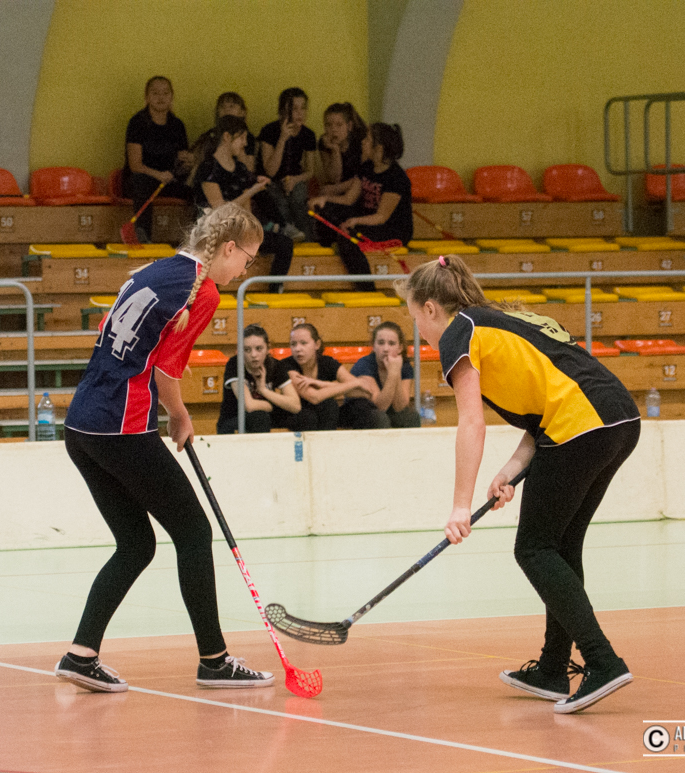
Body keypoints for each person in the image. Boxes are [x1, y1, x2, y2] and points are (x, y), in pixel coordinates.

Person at [395, 254, 641, 714]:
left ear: (430, 308)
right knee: (559, 547)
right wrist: (509, 471)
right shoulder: (506, 320)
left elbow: (472, 423)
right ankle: (552, 668)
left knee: (534, 548)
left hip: (580, 426)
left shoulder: (459, 332)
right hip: (618, 419)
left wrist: (460, 506)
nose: (420, 331)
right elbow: (548, 404)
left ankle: (603, 661)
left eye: (416, 319)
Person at [56, 203, 274, 693]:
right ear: (228, 248)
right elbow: (164, 371)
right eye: (247, 259)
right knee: (194, 532)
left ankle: (81, 654)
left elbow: (126, 342)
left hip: (82, 425)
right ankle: (214, 661)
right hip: (122, 427)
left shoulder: (155, 270)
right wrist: (179, 415)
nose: (245, 270)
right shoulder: (204, 290)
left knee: (136, 544)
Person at [196, 115, 293, 293]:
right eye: (241, 138)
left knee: (284, 243)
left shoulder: (240, 169)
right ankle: (212, 295)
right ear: (227, 137)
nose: (245, 143)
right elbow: (220, 210)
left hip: (238, 231)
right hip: (214, 231)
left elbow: (246, 210)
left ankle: (275, 291)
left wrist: (252, 233)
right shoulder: (208, 168)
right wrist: (251, 191)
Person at [310, 122, 413, 291]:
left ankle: (367, 289)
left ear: (378, 148)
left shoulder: (397, 178)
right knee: (325, 210)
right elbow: (349, 199)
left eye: (367, 139)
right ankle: (328, 250)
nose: (363, 142)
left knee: (348, 239)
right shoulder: (366, 167)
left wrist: (355, 221)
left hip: (391, 229)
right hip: (366, 219)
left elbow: (381, 217)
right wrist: (323, 199)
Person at [124, 76, 193, 243]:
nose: (161, 97)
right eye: (155, 93)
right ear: (147, 97)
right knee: (141, 182)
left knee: (196, 187)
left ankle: (194, 236)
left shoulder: (177, 125)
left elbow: (181, 165)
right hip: (143, 179)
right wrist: (158, 175)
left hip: (168, 180)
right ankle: (143, 236)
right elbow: (135, 165)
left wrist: (188, 162)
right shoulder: (137, 123)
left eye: (165, 93)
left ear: (171, 96)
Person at [274, 323, 363, 431]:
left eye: (303, 343)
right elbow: (314, 397)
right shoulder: (286, 365)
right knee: (313, 414)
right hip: (297, 415)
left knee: (349, 406)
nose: (297, 349)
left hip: (323, 414)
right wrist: (354, 383)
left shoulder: (327, 362)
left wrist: (321, 384)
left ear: (317, 344)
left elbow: (360, 390)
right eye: (293, 344)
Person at [216, 324, 300, 434]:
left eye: (259, 349)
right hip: (234, 420)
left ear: (267, 348)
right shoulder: (235, 364)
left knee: (304, 416)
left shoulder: (275, 365)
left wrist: (263, 390)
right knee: (259, 417)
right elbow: (249, 406)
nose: (253, 355)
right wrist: (274, 406)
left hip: (264, 416)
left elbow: (295, 406)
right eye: (247, 350)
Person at [258, 87, 317, 241]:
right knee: (279, 202)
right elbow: (270, 171)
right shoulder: (269, 131)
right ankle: (285, 240)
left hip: (295, 180)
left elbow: (310, 171)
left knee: (299, 198)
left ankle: (308, 241)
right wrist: (283, 139)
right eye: (295, 109)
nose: (300, 113)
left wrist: (295, 179)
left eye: (303, 108)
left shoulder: (308, 134)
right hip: (271, 181)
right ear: (284, 111)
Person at [340, 321, 420, 429]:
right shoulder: (364, 365)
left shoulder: (405, 366)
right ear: (373, 346)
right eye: (381, 343)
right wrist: (393, 374)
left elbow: (400, 407)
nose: (386, 349)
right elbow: (380, 406)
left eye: (391, 344)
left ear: (400, 348)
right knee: (379, 418)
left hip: (383, 413)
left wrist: (396, 372)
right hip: (360, 413)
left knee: (411, 416)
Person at [190, 92, 257, 177]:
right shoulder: (210, 134)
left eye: (232, 106)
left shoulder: (246, 137)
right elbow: (195, 157)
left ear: (242, 112)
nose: (226, 110)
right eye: (222, 107)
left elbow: (249, 169)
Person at [316, 102, 367, 197]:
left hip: (358, 189)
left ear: (349, 126)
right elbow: (334, 178)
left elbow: (363, 178)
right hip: (337, 187)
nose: (333, 129)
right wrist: (335, 150)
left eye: (339, 125)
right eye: (328, 125)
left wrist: (336, 188)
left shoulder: (359, 142)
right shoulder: (324, 142)